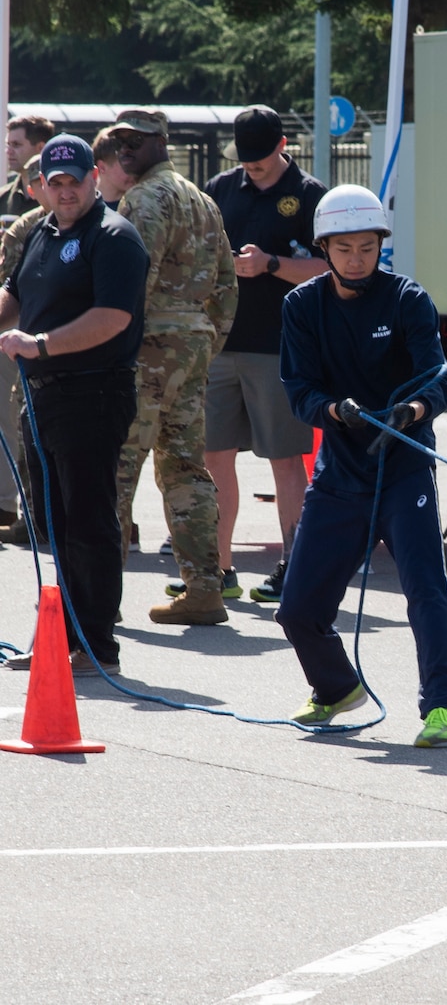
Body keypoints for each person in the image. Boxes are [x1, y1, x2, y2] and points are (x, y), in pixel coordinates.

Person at [276, 185, 447, 746]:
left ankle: (445, 706)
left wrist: (412, 410)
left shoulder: (409, 299)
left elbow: (440, 374)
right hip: (339, 473)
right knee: (297, 609)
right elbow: (299, 387)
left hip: (404, 468)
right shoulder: (301, 306)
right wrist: (334, 410)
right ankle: (335, 688)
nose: (357, 259)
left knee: (426, 591)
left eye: (367, 248)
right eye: (344, 249)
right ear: (324, 249)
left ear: (382, 244)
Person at [0, 135, 148, 677]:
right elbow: (17, 296)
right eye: (54, 183)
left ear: (94, 178)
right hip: (41, 398)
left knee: (88, 521)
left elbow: (112, 318)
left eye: (73, 181)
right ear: (42, 185)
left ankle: (95, 643)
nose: (64, 192)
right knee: (50, 522)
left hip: (93, 391)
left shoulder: (114, 238)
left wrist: (38, 345)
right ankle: (61, 634)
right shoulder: (42, 230)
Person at [95, 111, 241, 625]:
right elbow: (227, 285)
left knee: (117, 468)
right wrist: (205, 340)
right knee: (184, 468)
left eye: (137, 141)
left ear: (162, 142)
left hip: (146, 348)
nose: (125, 150)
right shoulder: (203, 199)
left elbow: (132, 278)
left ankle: (98, 601)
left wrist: (113, 346)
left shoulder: (143, 198)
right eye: (119, 142)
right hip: (192, 345)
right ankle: (205, 588)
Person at [204, 106, 329, 603]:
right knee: (214, 456)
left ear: (282, 144)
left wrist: (271, 264)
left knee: (283, 459)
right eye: (246, 159)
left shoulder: (310, 194)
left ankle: (293, 568)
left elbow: (332, 267)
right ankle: (216, 570)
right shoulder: (219, 188)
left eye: (261, 157)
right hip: (221, 343)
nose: (252, 167)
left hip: (279, 347)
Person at [0, 115, 55, 537]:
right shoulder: (19, 215)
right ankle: (30, 516)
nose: (9, 149)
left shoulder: (102, 224)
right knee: (23, 426)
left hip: (59, 342)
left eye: (17, 143)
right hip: (21, 335)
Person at [0, 114, 53, 218]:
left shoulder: (58, 196)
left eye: (16, 145)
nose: (8, 151)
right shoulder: (3, 197)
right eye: (8, 145)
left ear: (41, 148)